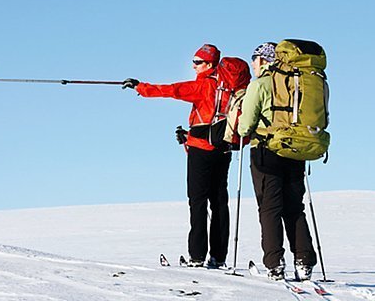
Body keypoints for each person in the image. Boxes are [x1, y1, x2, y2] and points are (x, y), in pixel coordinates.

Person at [122, 44, 231, 268]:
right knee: (219, 202)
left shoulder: (204, 85)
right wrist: (188, 137)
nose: (193, 65)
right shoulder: (228, 86)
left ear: (209, 64)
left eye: (198, 62)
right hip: (224, 148)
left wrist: (141, 87)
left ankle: (197, 256)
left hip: (202, 150)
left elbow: (173, 90)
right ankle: (218, 256)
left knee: (198, 201)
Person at [237, 42, 317, 281]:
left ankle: (275, 263)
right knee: (295, 207)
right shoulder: (299, 82)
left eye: (254, 58)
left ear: (263, 60)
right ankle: (304, 261)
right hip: (296, 150)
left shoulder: (260, 84)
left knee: (270, 209)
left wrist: (242, 131)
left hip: (266, 151)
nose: (252, 63)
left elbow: (245, 126)